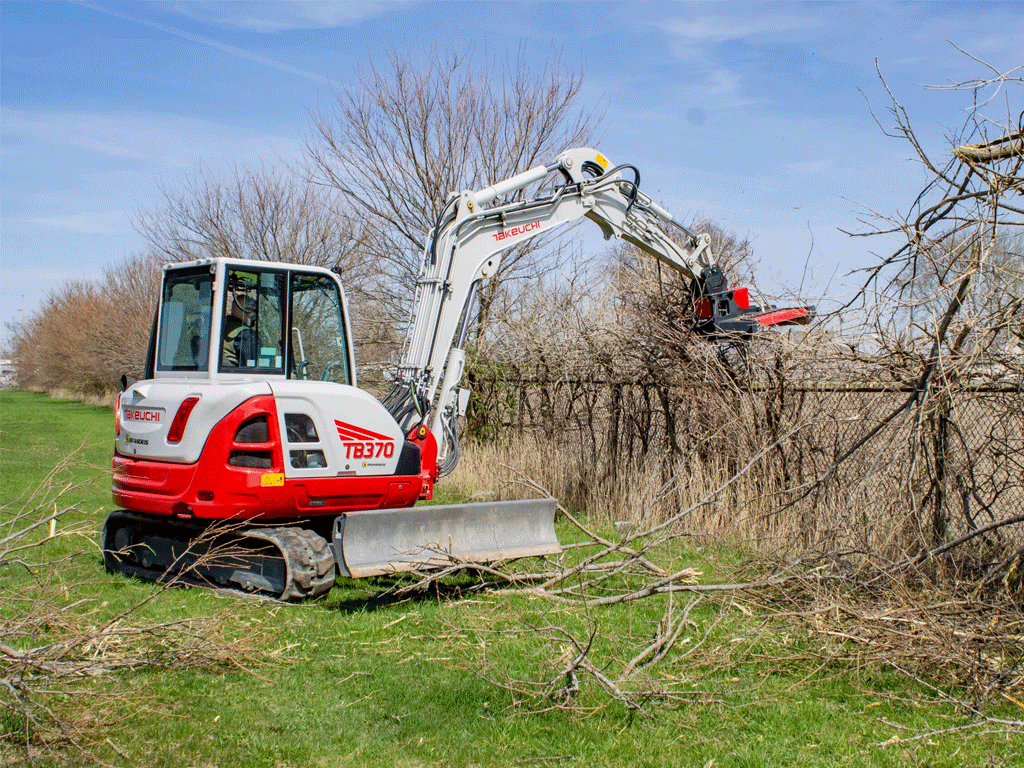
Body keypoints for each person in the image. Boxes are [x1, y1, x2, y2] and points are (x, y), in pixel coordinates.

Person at [222, 277, 258, 367]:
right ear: (244, 310)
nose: (255, 315)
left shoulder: (223, 327)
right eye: (252, 310)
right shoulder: (245, 334)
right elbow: (251, 367)